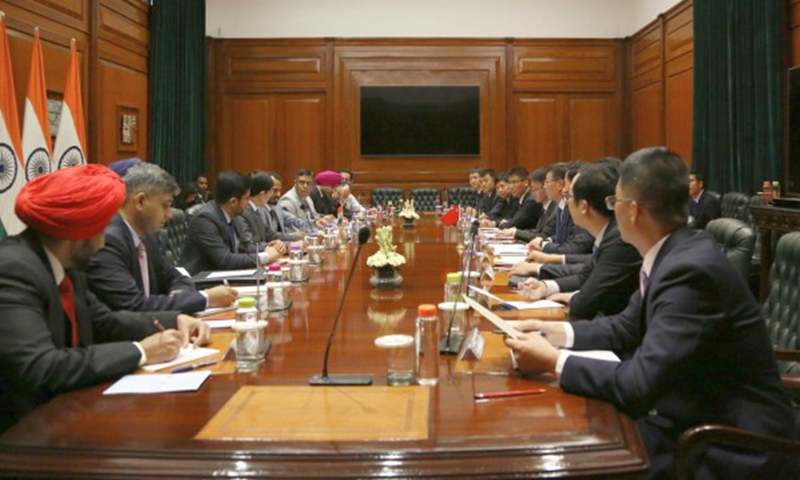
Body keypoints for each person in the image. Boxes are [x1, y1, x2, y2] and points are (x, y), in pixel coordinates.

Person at [505, 147, 798, 478]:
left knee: (578, 454)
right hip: (690, 411)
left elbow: (639, 384)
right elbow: (625, 327)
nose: (611, 213)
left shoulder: (689, 271)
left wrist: (552, 361)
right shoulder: (672, 252)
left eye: (614, 204)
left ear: (634, 212)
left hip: (730, 444)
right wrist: (553, 334)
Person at [0, 164, 210, 432]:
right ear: (77, 231)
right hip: (22, 433)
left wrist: (176, 319)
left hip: (69, 412)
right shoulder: (13, 269)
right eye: (99, 230)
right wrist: (141, 351)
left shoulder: (66, 266)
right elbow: (40, 367)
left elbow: (106, 321)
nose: (102, 244)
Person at [86, 164, 237, 314]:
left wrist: (180, 296)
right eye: (165, 205)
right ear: (140, 202)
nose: (169, 214)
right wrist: (205, 298)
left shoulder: (147, 237)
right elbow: (134, 306)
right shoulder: (108, 241)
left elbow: (176, 277)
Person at [513, 163, 642, 318]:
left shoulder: (619, 239)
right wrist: (546, 286)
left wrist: (572, 298)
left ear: (583, 206)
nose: (566, 204)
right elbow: (585, 275)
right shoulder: (608, 234)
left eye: (568, 197)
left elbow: (585, 303)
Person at [180, 171, 284, 275]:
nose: (248, 203)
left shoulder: (232, 214)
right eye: (247, 198)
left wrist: (267, 248)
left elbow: (244, 247)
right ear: (233, 202)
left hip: (226, 276)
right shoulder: (205, 219)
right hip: (203, 281)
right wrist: (265, 256)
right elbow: (225, 260)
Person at [235, 171, 284, 251]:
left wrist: (293, 243)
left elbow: (270, 235)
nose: (273, 194)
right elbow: (248, 246)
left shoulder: (255, 209)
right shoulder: (242, 212)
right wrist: (272, 247)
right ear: (261, 195)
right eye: (271, 191)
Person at [262, 172, 304, 242]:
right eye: (274, 190)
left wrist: (314, 223)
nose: (278, 194)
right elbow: (269, 236)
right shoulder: (258, 210)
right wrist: (292, 236)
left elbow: (293, 220)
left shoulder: (276, 204)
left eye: (279, 190)